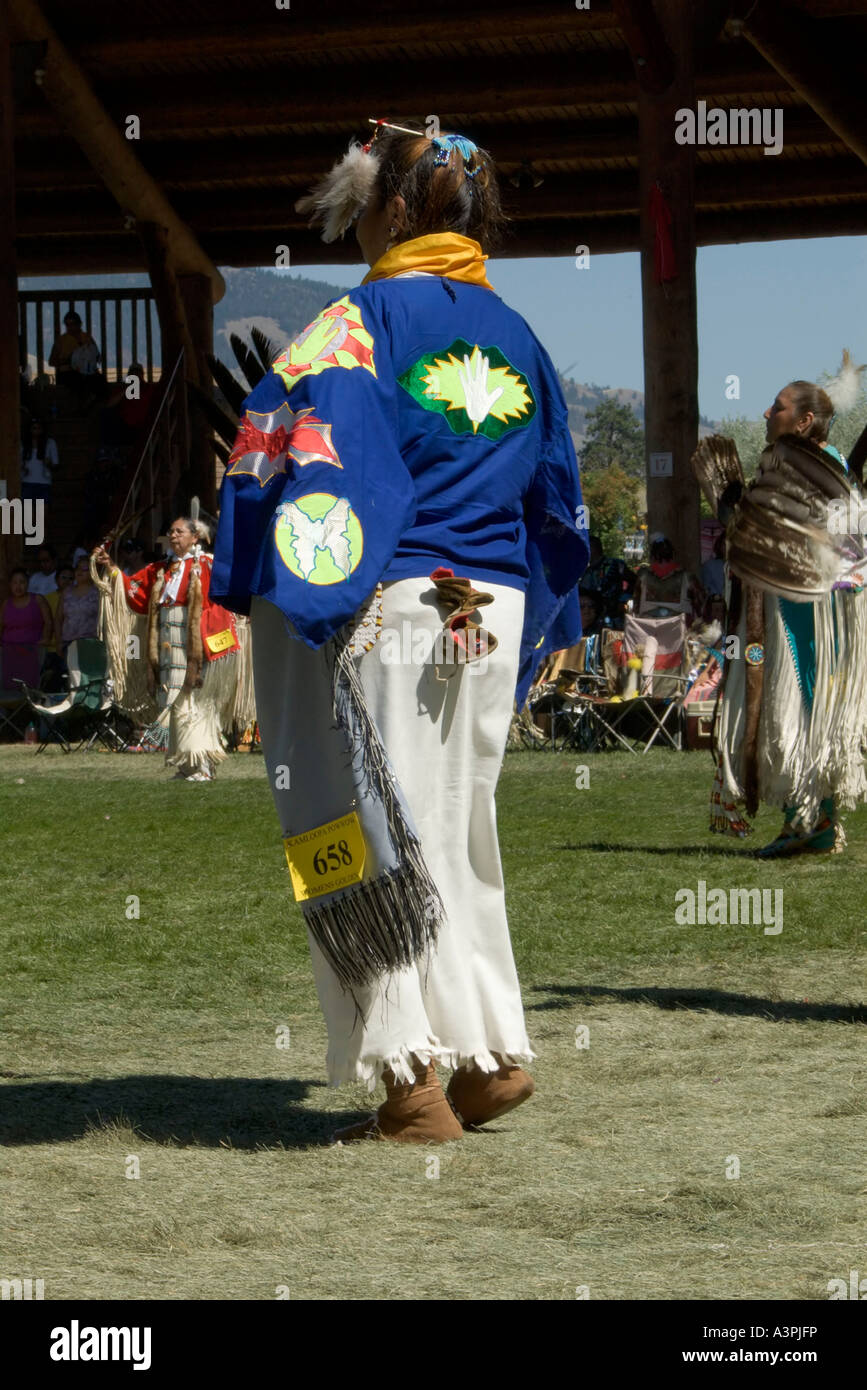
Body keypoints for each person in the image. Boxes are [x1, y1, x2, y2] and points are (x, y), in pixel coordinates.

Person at [212, 123, 588, 1144]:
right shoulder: (516, 332)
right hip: (484, 606)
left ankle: (408, 1077)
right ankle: (486, 1053)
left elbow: (330, 465)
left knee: (356, 826)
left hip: (395, 599)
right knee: (456, 825)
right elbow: (558, 490)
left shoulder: (359, 319)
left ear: (389, 210)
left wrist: (266, 494)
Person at [708, 361, 867, 856]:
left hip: (813, 612)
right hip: (786, 609)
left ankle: (810, 823)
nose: (765, 412)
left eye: (777, 407)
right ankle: (811, 821)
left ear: (803, 421)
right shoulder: (796, 466)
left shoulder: (820, 468)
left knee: (799, 705)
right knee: (789, 707)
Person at [93, 517, 243, 781]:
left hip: (196, 646)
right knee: (175, 703)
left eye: (179, 531)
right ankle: (186, 765)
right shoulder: (161, 569)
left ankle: (202, 764)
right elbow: (134, 591)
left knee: (195, 701)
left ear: (195, 537)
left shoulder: (207, 565)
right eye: (170, 531)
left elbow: (229, 590)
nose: (173, 536)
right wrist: (112, 567)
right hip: (167, 646)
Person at [1, 568, 52, 690]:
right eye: (15, 583)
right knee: (10, 684)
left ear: (28, 583)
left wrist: (45, 638)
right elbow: (1, 625)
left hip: (32, 651)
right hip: (9, 651)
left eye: (22, 582)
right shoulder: (6, 603)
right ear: (10, 585)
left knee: (30, 685)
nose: (18, 586)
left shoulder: (38, 600)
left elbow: (49, 622)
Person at [633, 534, 702, 620]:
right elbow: (700, 605)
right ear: (672, 554)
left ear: (653, 556)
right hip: (679, 628)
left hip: (649, 628)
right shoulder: (688, 577)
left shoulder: (642, 576)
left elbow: (636, 606)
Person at [583, 534, 635, 626]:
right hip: (592, 618)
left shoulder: (615, 564)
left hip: (614, 617)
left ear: (594, 548)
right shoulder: (586, 572)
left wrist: (623, 601)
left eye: (587, 547)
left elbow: (634, 582)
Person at [49, 311, 101, 402]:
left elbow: (97, 355)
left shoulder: (87, 338)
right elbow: (52, 361)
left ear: (79, 324)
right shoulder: (61, 340)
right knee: (78, 382)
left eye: (73, 324)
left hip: (88, 372)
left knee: (101, 381)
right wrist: (68, 360)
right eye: (68, 325)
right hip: (67, 373)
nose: (70, 327)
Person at [54, 556, 100, 653]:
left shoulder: (98, 593)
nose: (80, 571)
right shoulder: (66, 592)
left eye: (84, 569)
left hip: (91, 644)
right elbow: (58, 619)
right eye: (78, 568)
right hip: (68, 643)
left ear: (92, 572)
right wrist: (58, 642)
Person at [20, 419, 59, 507]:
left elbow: (56, 465)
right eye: (34, 428)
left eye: (39, 428)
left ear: (42, 430)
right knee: (28, 516)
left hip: (44, 483)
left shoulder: (50, 443)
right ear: (30, 430)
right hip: (27, 482)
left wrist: (49, 464)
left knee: (41, 516)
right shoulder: (23, 444)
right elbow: (17, 463)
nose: (36, 431)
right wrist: (22, 468)